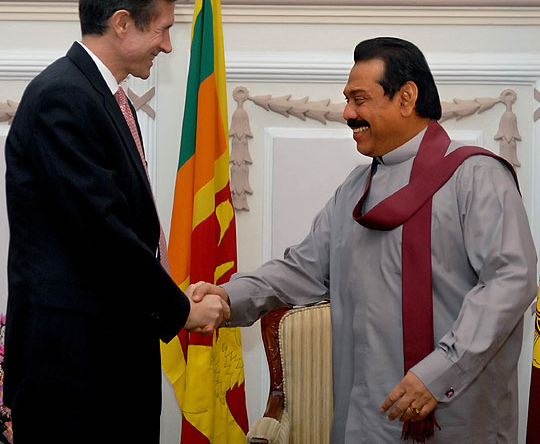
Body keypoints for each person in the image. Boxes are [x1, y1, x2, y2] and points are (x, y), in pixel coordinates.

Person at [190, 37, 537, 443]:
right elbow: (302, 269)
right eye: (347, 100)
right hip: (364, 422)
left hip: (455, 416)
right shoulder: (356, 190)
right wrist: (228, 297)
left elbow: (510, 281)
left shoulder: (476, 176)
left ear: (406, 98)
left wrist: (440, 372)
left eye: (359, 100)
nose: (348, 113)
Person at [3, 0, 229, 444]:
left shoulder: (99, 96)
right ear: (122, 23)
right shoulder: (64, 97)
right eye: (162, 29)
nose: (167, 45)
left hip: (102, 359)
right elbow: (103, 235)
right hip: (73, 371)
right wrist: (180, 310)